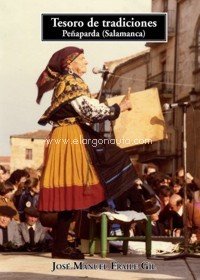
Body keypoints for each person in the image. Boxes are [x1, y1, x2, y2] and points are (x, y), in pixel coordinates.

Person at [36, 46, 138, 259]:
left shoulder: (69, 82)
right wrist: (119, 107)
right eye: (81, 59)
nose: (86, 61)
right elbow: (89, 111)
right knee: (74, 188)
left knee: (74, 189)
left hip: (71, 135)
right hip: (69, 138)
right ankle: (61, 245)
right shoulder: (72, 82)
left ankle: (63, 243)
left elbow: (86, 108)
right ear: (69, 63)